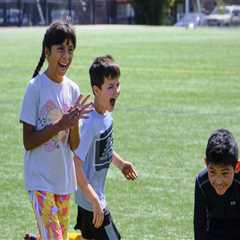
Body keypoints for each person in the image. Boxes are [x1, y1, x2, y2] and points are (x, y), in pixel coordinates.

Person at [20, 21, 92, 240]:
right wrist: (60, 125)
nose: (66, 56)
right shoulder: (35, 88)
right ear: (47, 51)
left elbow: (74, 145)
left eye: (70, 50)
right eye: (60, 49)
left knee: (54, 236)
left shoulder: (73, 89)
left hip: (64, 182)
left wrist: (74, 125)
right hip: (39, 181)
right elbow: (28, 141)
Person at [73, 55, 138, 240]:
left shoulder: (106, 116)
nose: (116, 91)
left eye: (118, 84)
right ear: (96, 89)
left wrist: (121, 164)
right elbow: (75, 164)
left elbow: (104, 150)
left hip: (93, 201)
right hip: (91, 203)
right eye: (110, 87)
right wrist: (93, 199)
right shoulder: (90, 123)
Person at [194, 129, 240, 240]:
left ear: (237, 167)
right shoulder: (201, 182)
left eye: (225, 173)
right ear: (206, 164)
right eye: (213, 172)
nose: (218, 181)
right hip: (214, 232)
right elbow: (200, 223)